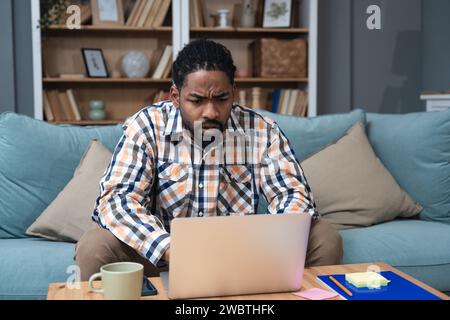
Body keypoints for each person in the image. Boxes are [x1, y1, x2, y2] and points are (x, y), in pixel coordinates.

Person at [75, 39, 343, 281]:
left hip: (244, 258)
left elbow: (293, 195)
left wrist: (266, 247)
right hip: (162, 257)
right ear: (176, 97)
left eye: (221, 99)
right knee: (95, 246)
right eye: (197, 100)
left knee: (324, 238)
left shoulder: (263, 131)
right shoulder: (146, 127)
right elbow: (117, 200)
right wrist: (168, 249)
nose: (211, 111)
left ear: (233, 91)